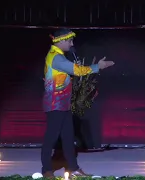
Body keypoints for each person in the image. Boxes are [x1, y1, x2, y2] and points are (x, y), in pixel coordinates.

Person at [41, 28, 115, 178]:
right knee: (51, 138)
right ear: (61, 40)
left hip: (63, 105)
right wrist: (97, 67)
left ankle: (73, 168)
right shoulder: (56, 58)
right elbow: (77, 71)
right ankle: (46, 170)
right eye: (69, 41)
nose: (71, 43)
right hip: (55, 105)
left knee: (68, 138)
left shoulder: (58, 56)